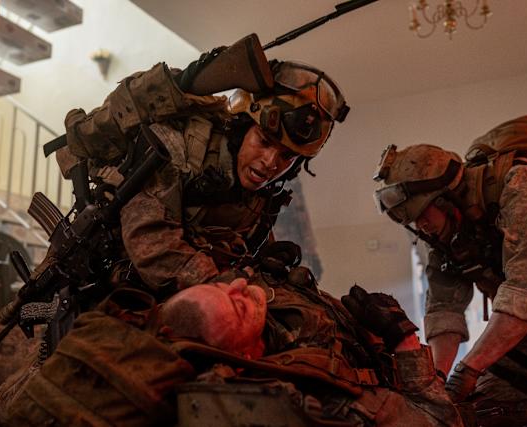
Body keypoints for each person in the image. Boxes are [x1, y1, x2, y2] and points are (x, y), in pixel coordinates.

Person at [57, 35, 350, 300]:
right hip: (94, 289)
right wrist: (228, 285)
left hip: (179, 300)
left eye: (287, 157)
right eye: (263, 141)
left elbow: (236, 250)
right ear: (241, 129)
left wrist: (265, 264)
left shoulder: (261, 194)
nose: (271, 163)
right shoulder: (177, 149)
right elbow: (152, 246)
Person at [0, 271, 464, 426]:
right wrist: (404, 340)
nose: (239, 285)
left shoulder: (139, 340)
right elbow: (443, 421)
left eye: (220, 284)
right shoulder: (305, 395)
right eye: (237, 305)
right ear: (246, 356)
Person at [372, 115, 527, 426]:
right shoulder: (446, 233)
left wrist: (468, 368)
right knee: (479, 409)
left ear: (446, 199)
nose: (423, 226)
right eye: (415, 222)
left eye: (424, 215)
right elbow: (444, 309)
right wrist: (437, 383)